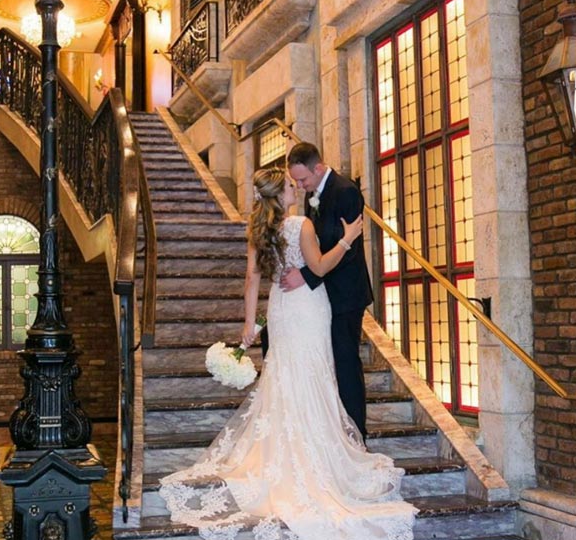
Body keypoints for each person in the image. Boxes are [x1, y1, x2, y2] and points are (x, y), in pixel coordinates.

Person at [159, 168, 416, 540]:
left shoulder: (259, 230)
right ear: (280, 196)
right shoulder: (300, 226)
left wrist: (249, 324)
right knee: (312, 375)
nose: (296, 189)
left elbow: (252, 278)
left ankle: (287, 452)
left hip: (280, 309)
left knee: (286, 377)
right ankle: (314, 459)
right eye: (290, 186)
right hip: (308, 309)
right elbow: (321, 267)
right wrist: (347, 239)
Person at [283, 142, 373, 440]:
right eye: (296, 181)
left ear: (318, 168)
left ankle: (357, 435)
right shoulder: (313, 194)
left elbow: (347, 250)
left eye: (303, 179)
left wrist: (306, 275)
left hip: (346, 295)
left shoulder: (346, 192)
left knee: (346, 363)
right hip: (321, 296)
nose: (300, 186)